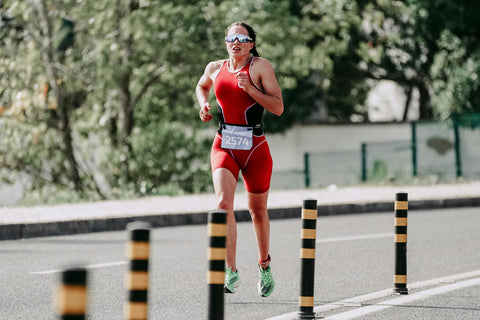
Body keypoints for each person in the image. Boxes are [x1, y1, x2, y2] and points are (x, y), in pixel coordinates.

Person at [195, 22, 284, 297]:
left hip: (255, 146)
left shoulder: (260, 67)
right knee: (223, 205)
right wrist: (204, 104)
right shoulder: (215, 67)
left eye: (242, 38)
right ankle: (231, 270)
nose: (236, 42)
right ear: (226, 42)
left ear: (251, 43)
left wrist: (251, 90)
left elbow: (278, 108)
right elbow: (201, 86)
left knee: (257, 211)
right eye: (232, 38)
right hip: (224, 143)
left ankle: (264, 265)